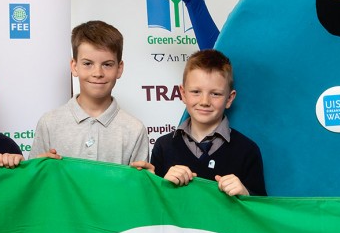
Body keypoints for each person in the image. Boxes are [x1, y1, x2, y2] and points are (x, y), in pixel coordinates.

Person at [29, 20, 153, 169]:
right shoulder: (49, 123)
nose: (98, 73)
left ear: (119, 69)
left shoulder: (135, 130)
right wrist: (36, 168)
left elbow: (137, 187)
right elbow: (36, 181)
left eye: (107, 64)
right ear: (74, 67)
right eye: (88, 64)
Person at [151, 49, 266, 196]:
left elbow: (261, 209)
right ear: (183, 93)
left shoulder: (247, 150)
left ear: (229, 99)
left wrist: (245, 194)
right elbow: (154, 206)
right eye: (196, 92)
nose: (204, 102)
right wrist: (163, 185)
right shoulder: (163, 146)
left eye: (215, 94)